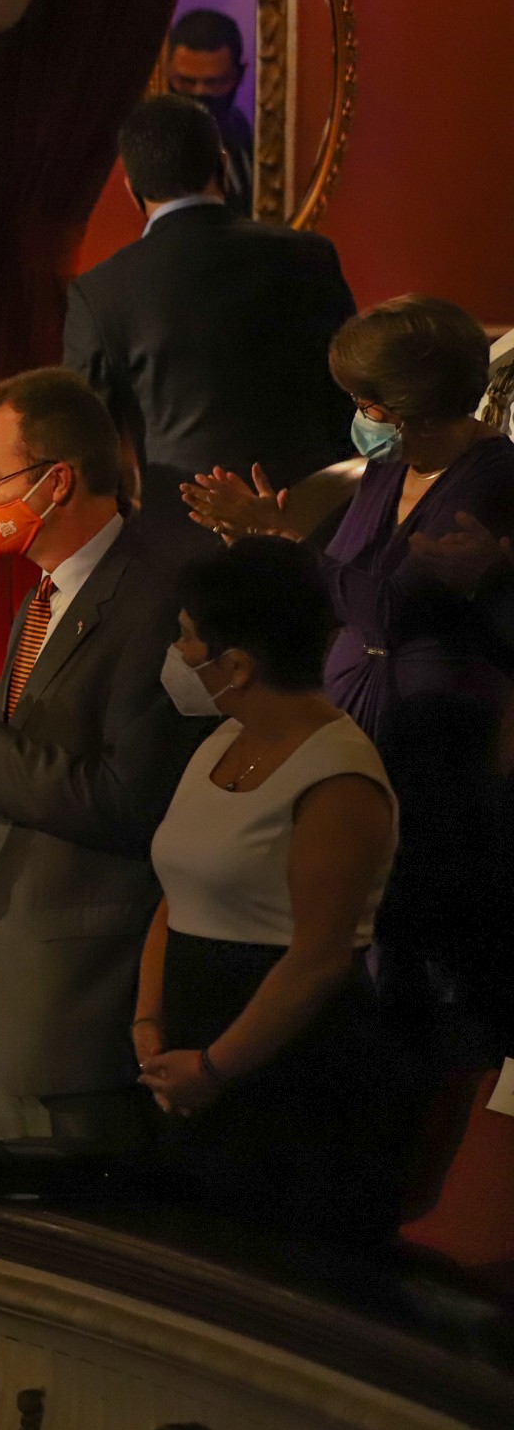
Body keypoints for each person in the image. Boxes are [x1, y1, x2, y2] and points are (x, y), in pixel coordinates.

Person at [187, 296, 514, 1060]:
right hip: (351, 731)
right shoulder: (384, 472)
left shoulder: (495, 476)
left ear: (408, 406)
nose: (360, 417)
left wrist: (285, 540)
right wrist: (265, 545)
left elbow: (388, 608)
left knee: (417, 975)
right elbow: (334, 596)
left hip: (436, 756)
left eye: (367, 402)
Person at [0, 367, 208, 1152]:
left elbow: (130, 801)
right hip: (10, 989)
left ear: (57, 481)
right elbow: (20, 765)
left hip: (81, 1001)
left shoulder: (154, 598)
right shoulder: (45, 595)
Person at [134, 538, 414, 1246]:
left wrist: (214, 1067)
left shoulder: (339, 774)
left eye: (188, 637)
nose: (177, 653)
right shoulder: (218, 742)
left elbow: (320, 957)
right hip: (191, 1053)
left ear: (237, 665)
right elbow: (178, 893)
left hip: (289, 1070)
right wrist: (148, 1021)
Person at [64, 94, 356, 554]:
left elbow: (86, 440)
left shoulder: (101, 291)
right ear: (222, 165)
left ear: (130, 187)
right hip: (317, 529)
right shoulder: (310, 257)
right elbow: (352, 393)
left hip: (182, 542)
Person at [162, 9, 254, 213]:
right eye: (186, 81)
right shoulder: (154, 144)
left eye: (214, 83)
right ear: (167, 73)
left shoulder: (240, 129)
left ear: (238, 76)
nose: (199, 92)